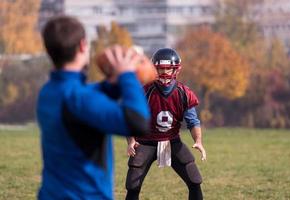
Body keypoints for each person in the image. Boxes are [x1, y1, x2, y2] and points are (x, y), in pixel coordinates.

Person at [37, 16, 150, 200]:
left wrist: (112, 84)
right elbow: (138, 122)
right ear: (83, 46)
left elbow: (86, 98)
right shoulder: (80, 99)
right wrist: (128, 76)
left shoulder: (48, 91)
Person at [125, 48, 207, 200]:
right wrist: (131, 141)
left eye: (168, 68)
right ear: (154, 69)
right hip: (146, 142)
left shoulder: (183, 93)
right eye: (160, 69)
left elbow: (192, 121)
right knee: (132, 185)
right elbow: (130, 119)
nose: (164, 72)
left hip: (172, 140)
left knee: (195, 181)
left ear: (176, 69)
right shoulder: (144, 92)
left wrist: (198, 141)